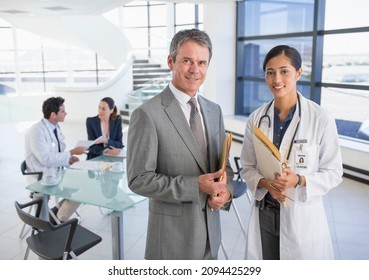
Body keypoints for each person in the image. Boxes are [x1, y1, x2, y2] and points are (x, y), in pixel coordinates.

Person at [127, 29, 233, 260]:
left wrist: (225, 192)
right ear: (170, 62)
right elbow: (138, 180)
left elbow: (224, 168)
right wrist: (195, 186)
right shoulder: (147, 114)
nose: (195, 69)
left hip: (210, 238)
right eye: (187, 61)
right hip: (172, 243)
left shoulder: (214, 111)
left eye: (202, 62)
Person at [240, 45, 343, 260]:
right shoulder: (256, 119)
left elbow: (333, 172)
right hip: (265, 213)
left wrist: (299, 179)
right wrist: (266, 184)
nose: (277, 79)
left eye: (284, 71)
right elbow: (247, 168)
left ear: (298, 73)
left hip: (301, 217)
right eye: (270, 72)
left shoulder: (320, 118)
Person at [25, 96, 87, 222]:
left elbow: (56, 153)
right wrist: (71, 152)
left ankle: (56, 215)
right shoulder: (36, 131)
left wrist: (68, 159)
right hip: (42, 178)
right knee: (79, 190)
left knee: (82, 186)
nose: (66, 113)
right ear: (53, 114)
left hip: (55, 172)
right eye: (63, 111)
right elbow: (46, 159)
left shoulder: (55, 127)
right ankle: (59, 221)